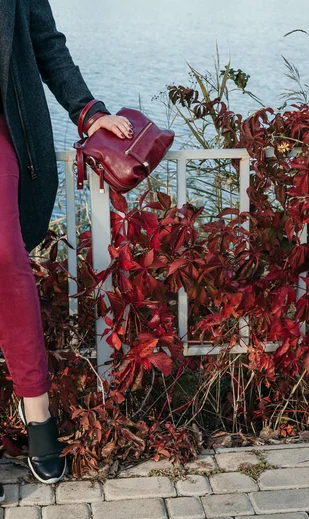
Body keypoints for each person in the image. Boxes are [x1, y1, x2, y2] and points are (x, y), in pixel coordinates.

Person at [0, 0, 133, 495]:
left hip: (5, 132)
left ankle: (36, 405)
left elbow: (45, 44)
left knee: (6, 256)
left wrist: (88, 111)